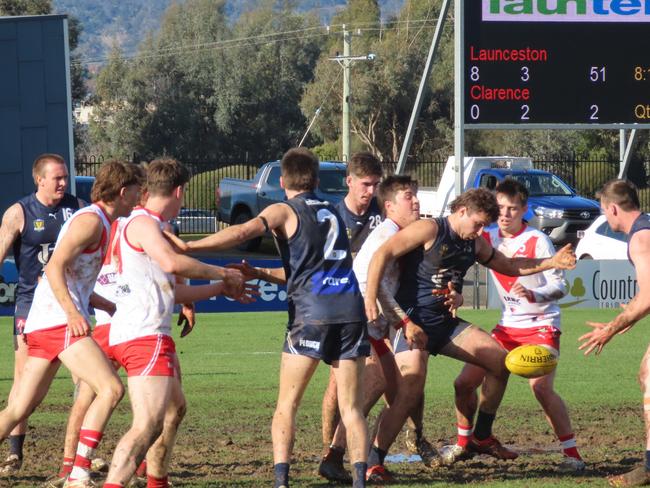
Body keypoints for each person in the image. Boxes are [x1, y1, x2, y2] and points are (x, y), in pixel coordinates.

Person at [182, 147, 371, 488]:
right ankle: (359, 481)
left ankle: (281, 480)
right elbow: (308, 272)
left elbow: (243, 232)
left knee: (287, 404)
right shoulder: (331, 210)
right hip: (350, 311)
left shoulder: (285, 209)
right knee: (352, 407)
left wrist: (191, 247)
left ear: (283, 181)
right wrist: (262, 273)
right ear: (314, 178)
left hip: (312, 315)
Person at [364, 188, 577, 482]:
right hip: (413, 323)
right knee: (409, 390)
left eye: (483, 227)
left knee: (499, 360)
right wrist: (372, 300)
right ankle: (375, 462)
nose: (479, 231)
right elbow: (381, 254)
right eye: (477, 223)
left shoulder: (474, 243)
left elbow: (509, 265)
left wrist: (550, 263)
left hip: (445, 323)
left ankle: (481, 435)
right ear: (462, 211)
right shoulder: (429, 228)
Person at [101, 158, 248, 488]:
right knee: (148, 424)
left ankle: (157, 480)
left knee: (174, 410)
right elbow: (171, 261)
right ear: (179, 191)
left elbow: (171, 288)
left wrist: (220, 288)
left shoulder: (145, 226)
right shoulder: (143, 224)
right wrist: (222, 271)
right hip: (144, 335)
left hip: (139, 331)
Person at [0, 161, 144, 488]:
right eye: (136, 189)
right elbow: (53, 269)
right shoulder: (91, 221)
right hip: (56, 321)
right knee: (110, 389)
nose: (139, 195)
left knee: (18, 407)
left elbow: (73, 276)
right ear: (123, 192)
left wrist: (100, 302)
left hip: (42, 321)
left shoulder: (101, 221)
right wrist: (73, 313)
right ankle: (78, 475)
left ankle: (76, 471)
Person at [446, 179, 585, 472]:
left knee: (541, 389)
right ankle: (465, 443)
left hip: (541, 324)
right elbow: (461, 261)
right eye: (500, 208)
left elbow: (560, 287)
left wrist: (536, 293)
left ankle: (573, 457)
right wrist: (455, 290)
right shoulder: (487, 235)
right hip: (507, 327)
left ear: (525, 209)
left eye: (512, 208)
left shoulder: (537, 240)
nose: (505, 214)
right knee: (463, 383)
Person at [321, 174, 439, 483]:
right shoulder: (387, 233)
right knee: (367, 390)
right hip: (361, 320)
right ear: (389, 206)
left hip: (369, 321)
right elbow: (369, 281)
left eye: (415, 194)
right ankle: (340, 456)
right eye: (407, 197)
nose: (415, 200)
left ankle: (366, 457)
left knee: (396, 389)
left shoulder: (396, 232)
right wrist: (402, 321)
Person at [0, 154, 83, 474]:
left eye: (65, 177)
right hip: (30, 307)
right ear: (40, 180)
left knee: (85, 379)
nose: (63, 183)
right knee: (24, 382)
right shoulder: (19, 212)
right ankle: (14, 453)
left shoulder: (77, 208)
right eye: (57, 178)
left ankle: (79, 454)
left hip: (69, 305)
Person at [578, 179, 650, 487]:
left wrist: (610, 329)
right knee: (647, 374)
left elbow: (648, 296)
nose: (606, 218)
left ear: (613, 208)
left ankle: (649, 467)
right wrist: (630, 313)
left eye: (604, 212)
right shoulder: (645, 229)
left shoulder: (640, 239)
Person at [319, 152, 383, 482]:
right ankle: (331, 452)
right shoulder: (331, 216)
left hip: (373, 310)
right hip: (338, 309)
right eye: (365, 184)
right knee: (338, 390)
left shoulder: (381, 214)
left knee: (389, 381)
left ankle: (338, 452)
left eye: (375, 185)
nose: (370, 191)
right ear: (349, 181)